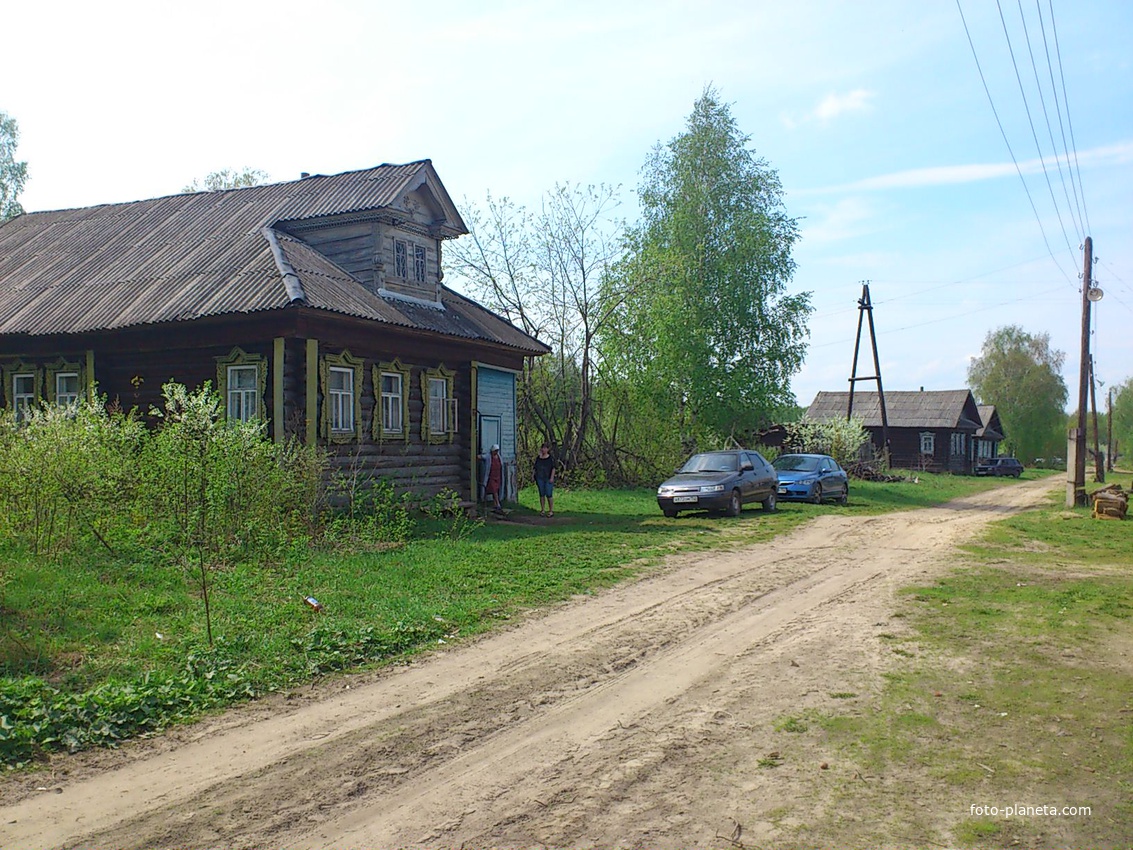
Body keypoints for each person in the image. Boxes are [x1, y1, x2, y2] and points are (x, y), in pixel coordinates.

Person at [534, 443, 555, 517]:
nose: (543, 450)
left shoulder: (550, 458)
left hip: (548, 478)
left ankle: (551, 510)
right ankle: (542, 509)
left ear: (548, 449)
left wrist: (552, 477)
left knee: (549, 494)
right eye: (542, 448)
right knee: (541, 494)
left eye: (545, 448)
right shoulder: (538, 458)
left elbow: (553, 468)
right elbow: (535, 468)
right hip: (540, 477)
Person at [485, 444, 503, 511]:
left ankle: (495, 503)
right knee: (494, 489)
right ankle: (498, 504)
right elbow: (484, 457)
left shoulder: (499, 457)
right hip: (492, 476)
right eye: (495, 451)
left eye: (497, 451)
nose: (496, 452)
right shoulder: (489, 457)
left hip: (497, 476)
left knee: (496, 490)